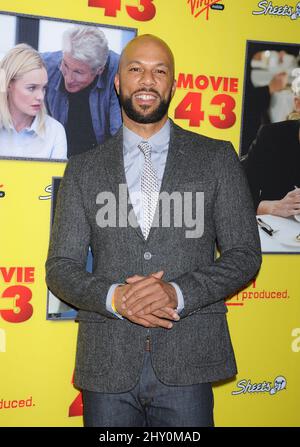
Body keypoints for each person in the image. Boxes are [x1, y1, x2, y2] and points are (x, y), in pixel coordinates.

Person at [46, 34, 261, 427]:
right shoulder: (83, 168)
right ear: (117, 81)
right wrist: (116, 297)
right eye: (135, 69)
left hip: (188, 360)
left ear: (173, 84)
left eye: (159, 71)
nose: (147, 80)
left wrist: (176, 292)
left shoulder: (216, 158)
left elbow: (245, 253)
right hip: (107, 362)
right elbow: (60, 267)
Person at [42, 25, 122, 157]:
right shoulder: (45, 64)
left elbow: (119, 141)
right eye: (65, 65)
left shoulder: (119, 73)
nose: (68, 78)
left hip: (100, 163)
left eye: (78, 72)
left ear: (99, 70)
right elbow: (7, 68)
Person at [242, 69, 300, 217]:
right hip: (274, 232)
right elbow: (238, 192)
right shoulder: (272, 137)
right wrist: (272, 207)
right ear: (297, 104)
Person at [0, 43, 67, 159]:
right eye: (31, 88)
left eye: (44, 88)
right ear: (8, 85)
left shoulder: (55, 131)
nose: (40, 96)